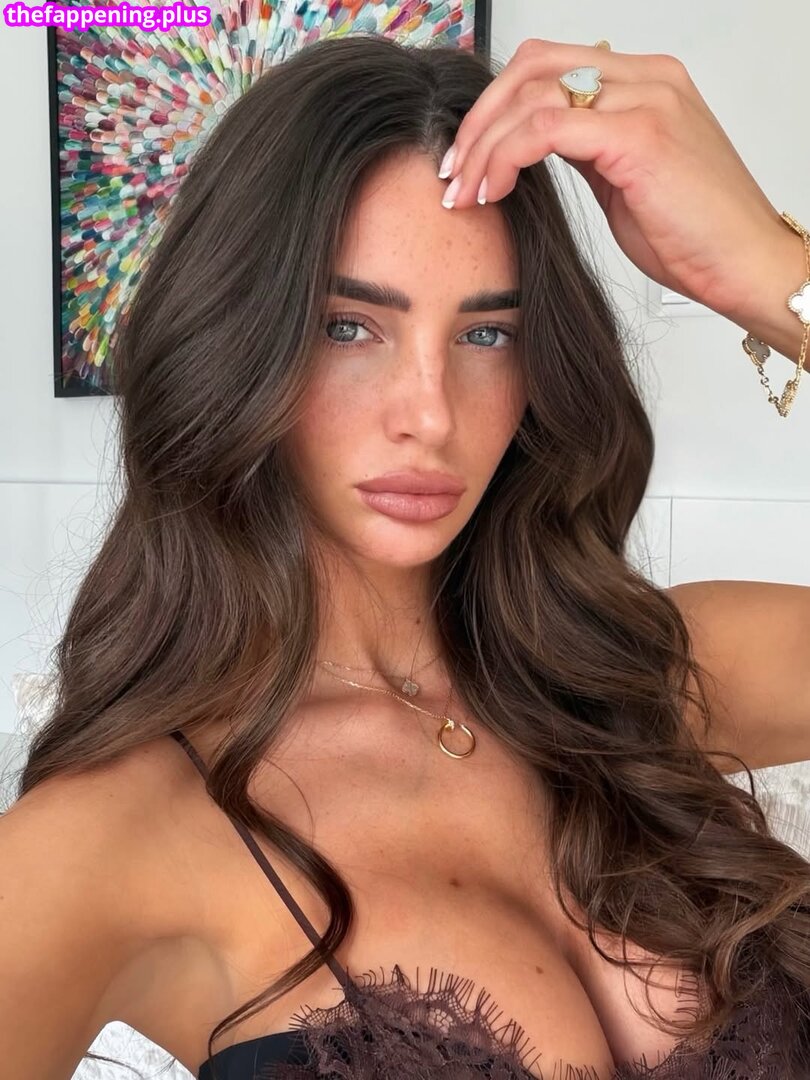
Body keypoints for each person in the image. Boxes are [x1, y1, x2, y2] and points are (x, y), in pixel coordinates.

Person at [2, 32, 810, 1080]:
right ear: (233, 348)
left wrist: (770, 276)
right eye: (349, 327)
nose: (429, 415)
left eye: (486, 335)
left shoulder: (642, 678)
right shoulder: (116, 836)